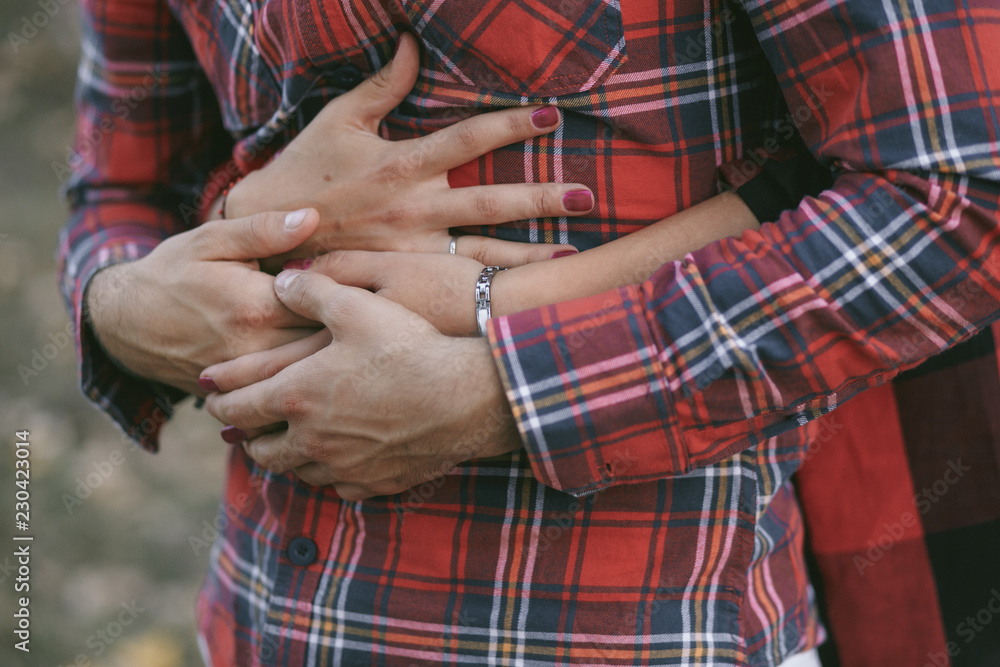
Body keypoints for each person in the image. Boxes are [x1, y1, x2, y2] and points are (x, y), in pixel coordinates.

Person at [58, 1, 1000, 666]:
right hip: (262, 621)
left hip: (633, 629)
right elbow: (119, 190)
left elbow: (955, 198)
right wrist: (121, 308)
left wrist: (501, 382)